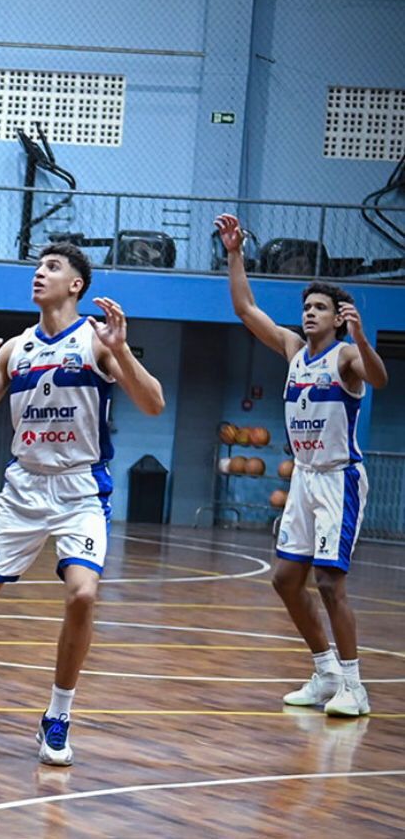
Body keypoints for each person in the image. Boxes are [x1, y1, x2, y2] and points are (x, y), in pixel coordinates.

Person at [0, 243, 166, 767]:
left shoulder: (97, 340)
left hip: (79, 489)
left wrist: (124, 353)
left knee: (83, 594)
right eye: (38, 267)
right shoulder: (15, 349)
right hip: (23, 489)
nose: (39, 274)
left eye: (52, 267)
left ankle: (58, 715)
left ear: (76, 285)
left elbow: (154, 403)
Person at [216, 213, 387, 717]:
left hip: (339, 478)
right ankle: (325, 671)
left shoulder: (346, 358)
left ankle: (354, 686)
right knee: (285, 579)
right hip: (305, 479)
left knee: (330, 583)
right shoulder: (294, 351)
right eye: (306, 307)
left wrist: (361, 338)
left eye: (320, 308)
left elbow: (379, 379)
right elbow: (246, 309)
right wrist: (234, 253)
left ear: (338, 318)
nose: (310, 313)